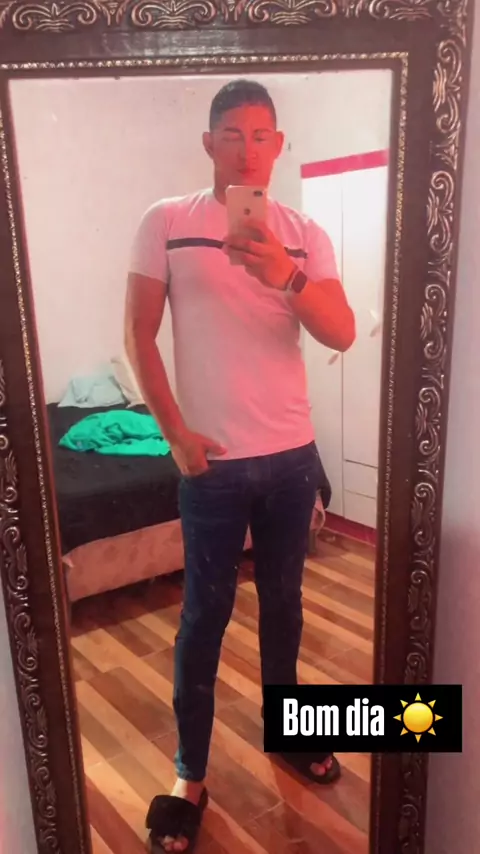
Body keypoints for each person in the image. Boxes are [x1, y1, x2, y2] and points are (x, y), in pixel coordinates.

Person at [125, 78, 356, 853]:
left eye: (261, 135)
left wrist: (285, 275)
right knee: (204, 617)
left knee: (286, 604)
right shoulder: (166, 221)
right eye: (232, 134)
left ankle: (288, 733)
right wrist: (175, 436)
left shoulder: (304, 234)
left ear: (278, 145)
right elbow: (138, 333)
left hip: (292, 459)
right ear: (209, 142)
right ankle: (189, 773)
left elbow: (342, 332)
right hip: (213, 467)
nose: (247, 149)